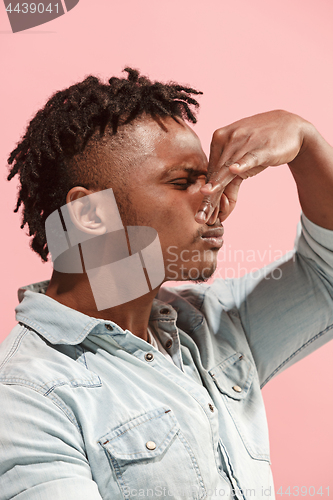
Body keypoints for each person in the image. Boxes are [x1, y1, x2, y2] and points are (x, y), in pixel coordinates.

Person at [0, 68, 332, 500]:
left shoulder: (214, 327)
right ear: (90, 216)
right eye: (183, 182)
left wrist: (304, 142)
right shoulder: (25, 398)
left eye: (209, 178)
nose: (216, 199)